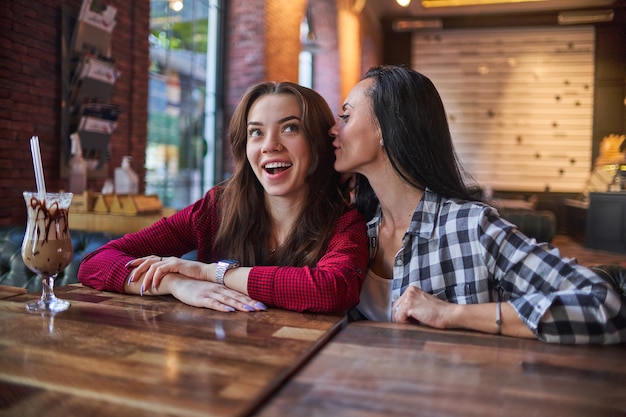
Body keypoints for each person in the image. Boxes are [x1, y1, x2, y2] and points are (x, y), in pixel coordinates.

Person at [329, 64, 626, 344]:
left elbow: (604, 303)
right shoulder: (354, 233)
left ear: (386, 126)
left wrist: (452, 314)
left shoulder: (472, 228)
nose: (334, 129)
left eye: (346, 116)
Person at [79, 81, 369, 313]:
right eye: (256, 132)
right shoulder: (216, 208)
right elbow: (95, 263)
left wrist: (210, 274)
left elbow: (334, 289)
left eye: (290, 128)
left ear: (319, 141)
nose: (269, 145)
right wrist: (176, 283)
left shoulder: (344, 221)